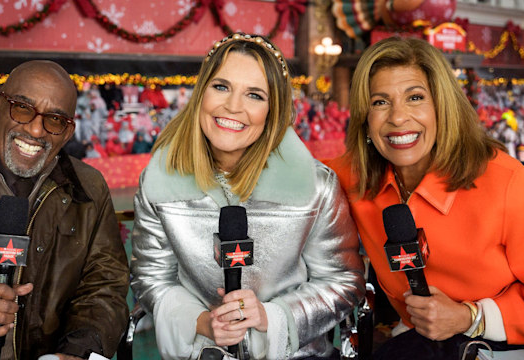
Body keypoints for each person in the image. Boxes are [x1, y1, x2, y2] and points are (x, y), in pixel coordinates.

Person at [130, 33, 365, 360]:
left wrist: (273, 316)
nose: (233, 106)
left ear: (274, 109)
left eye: (254, 95)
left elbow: (343, 281)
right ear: (201, 93)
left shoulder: (316, 186)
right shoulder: (158, 181)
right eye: (221, 86)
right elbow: (151, 278)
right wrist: (202, 323)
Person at [326, 37, 524, 360]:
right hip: (417, 344)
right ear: (364, 117)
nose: (398, 117)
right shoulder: (352, 178)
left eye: (415, 97)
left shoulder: (511, 187)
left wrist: (472, 316)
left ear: (442, 107)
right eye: (380, 102)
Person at [0, 60, 129, 359]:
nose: (35, 129)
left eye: (54, 119)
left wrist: (78, 350)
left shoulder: (89, 189)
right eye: (22, 108)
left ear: (68, 132)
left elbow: (105, 287)